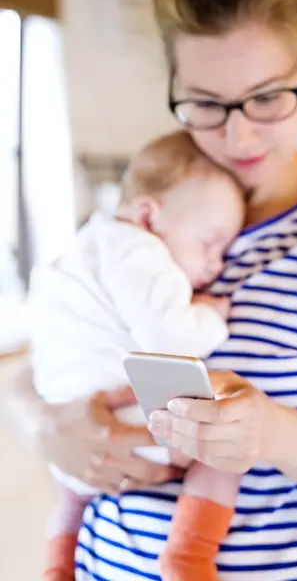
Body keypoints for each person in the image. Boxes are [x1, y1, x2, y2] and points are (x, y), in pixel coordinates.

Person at [6, 0, 297, 579]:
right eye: (206, 103)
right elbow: (61, 343)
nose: (237, 137)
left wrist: (276, 436)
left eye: (267, 98)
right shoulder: (155, 212)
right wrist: (39, 423)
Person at [28, 130, 244, 581]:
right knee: (224, 453)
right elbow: (172, 339)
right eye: (210, 242)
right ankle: (188, 556)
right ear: (148, 214)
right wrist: (210, 314)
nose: (217, 264)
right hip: (128, 427)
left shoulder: (83, 248)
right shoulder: (140, 251)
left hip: (70, 436)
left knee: (71, 500)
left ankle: (58, 565)